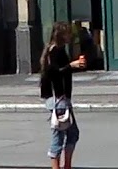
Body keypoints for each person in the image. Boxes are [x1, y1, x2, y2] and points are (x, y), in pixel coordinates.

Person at [40, 22, 87, 169]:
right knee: (59, 136)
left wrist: (74, 66)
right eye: (67, 33)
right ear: (60, 35)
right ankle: (58, 166)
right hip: (58, 99)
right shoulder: (54, 51)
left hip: (60, 99)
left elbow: (62, 70)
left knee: (72, 134)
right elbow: (54, 72)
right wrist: (71, 65)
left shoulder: (57, 50)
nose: (70, 36)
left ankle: (67, 165)